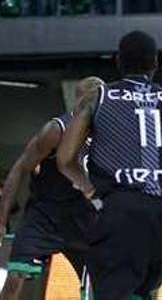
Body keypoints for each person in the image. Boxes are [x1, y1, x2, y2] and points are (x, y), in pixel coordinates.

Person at [56, 31, 162, 299]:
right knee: (142, 293)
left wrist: (89, 188)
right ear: (156, 63)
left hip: (123, 210)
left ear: (118, 62)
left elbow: (65, 159)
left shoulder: (99, 97)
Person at [0, 77, 103, 300]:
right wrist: (1, 219)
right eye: (93, 99)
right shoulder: (56, 130)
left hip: (83, 216)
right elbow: (19, 168)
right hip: (45, 213)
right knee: (17, 274)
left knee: (102, 280)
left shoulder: (107, 133)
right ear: (79, 101)